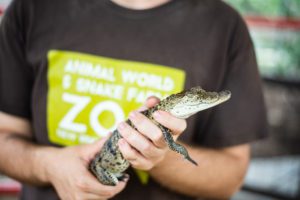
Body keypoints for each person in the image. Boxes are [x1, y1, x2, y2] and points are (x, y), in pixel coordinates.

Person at [0, 0, 268, 199]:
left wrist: (160, 156)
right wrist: (49, 166)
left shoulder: (224, 25)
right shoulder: (30, 8)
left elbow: (229, 179)